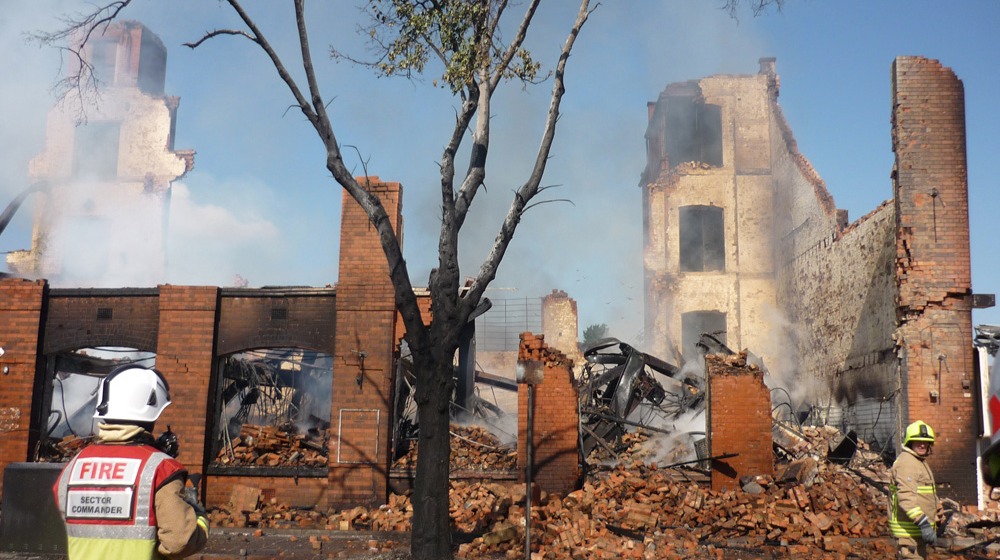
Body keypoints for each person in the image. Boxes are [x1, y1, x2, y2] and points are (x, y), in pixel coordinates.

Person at [52, 365, 209, 559]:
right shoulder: (161, 469)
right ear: (148, 415)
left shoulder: (74, 466)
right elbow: (178, 542)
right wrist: (199, 517)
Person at [890, 420, 938, 559]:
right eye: (918, 441)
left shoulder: (918, 462)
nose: (922, 444)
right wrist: (924, 524)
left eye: (926, 442)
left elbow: (924, 492)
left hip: (915, 535)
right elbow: (906, 499)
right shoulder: (907, 463)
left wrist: (937, 508)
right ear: (910, 442)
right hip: (908, 535)